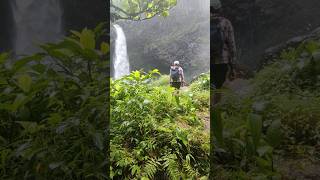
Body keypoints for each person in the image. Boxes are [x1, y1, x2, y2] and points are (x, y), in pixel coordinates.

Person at [210, 0, 237, 105]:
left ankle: (210, 106)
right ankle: (215, 108)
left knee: (211, 84)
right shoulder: (225, 22)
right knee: (219, 86)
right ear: (219, 9)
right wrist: (233, 66)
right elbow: (231, 45)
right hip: (222, 60)